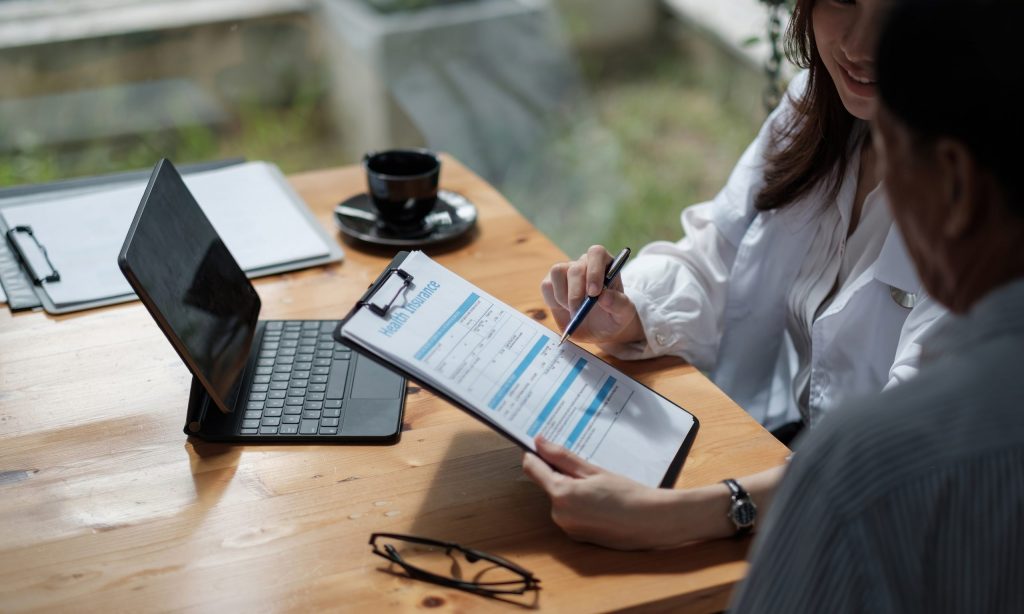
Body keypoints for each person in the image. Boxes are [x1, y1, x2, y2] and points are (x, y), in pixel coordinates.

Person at [523, 0, 945, 549]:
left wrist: (682, 515)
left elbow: (909, 450)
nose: (860, 45)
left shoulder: (987, 201)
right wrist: (627, 312)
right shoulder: (816, 112)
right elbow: (716, 255)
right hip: (791, 473)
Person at [730, 0, 1024, 610]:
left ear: (957, 183)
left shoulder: (867, 469)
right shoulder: (822, 109)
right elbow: (719, 245)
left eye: (890, 149)